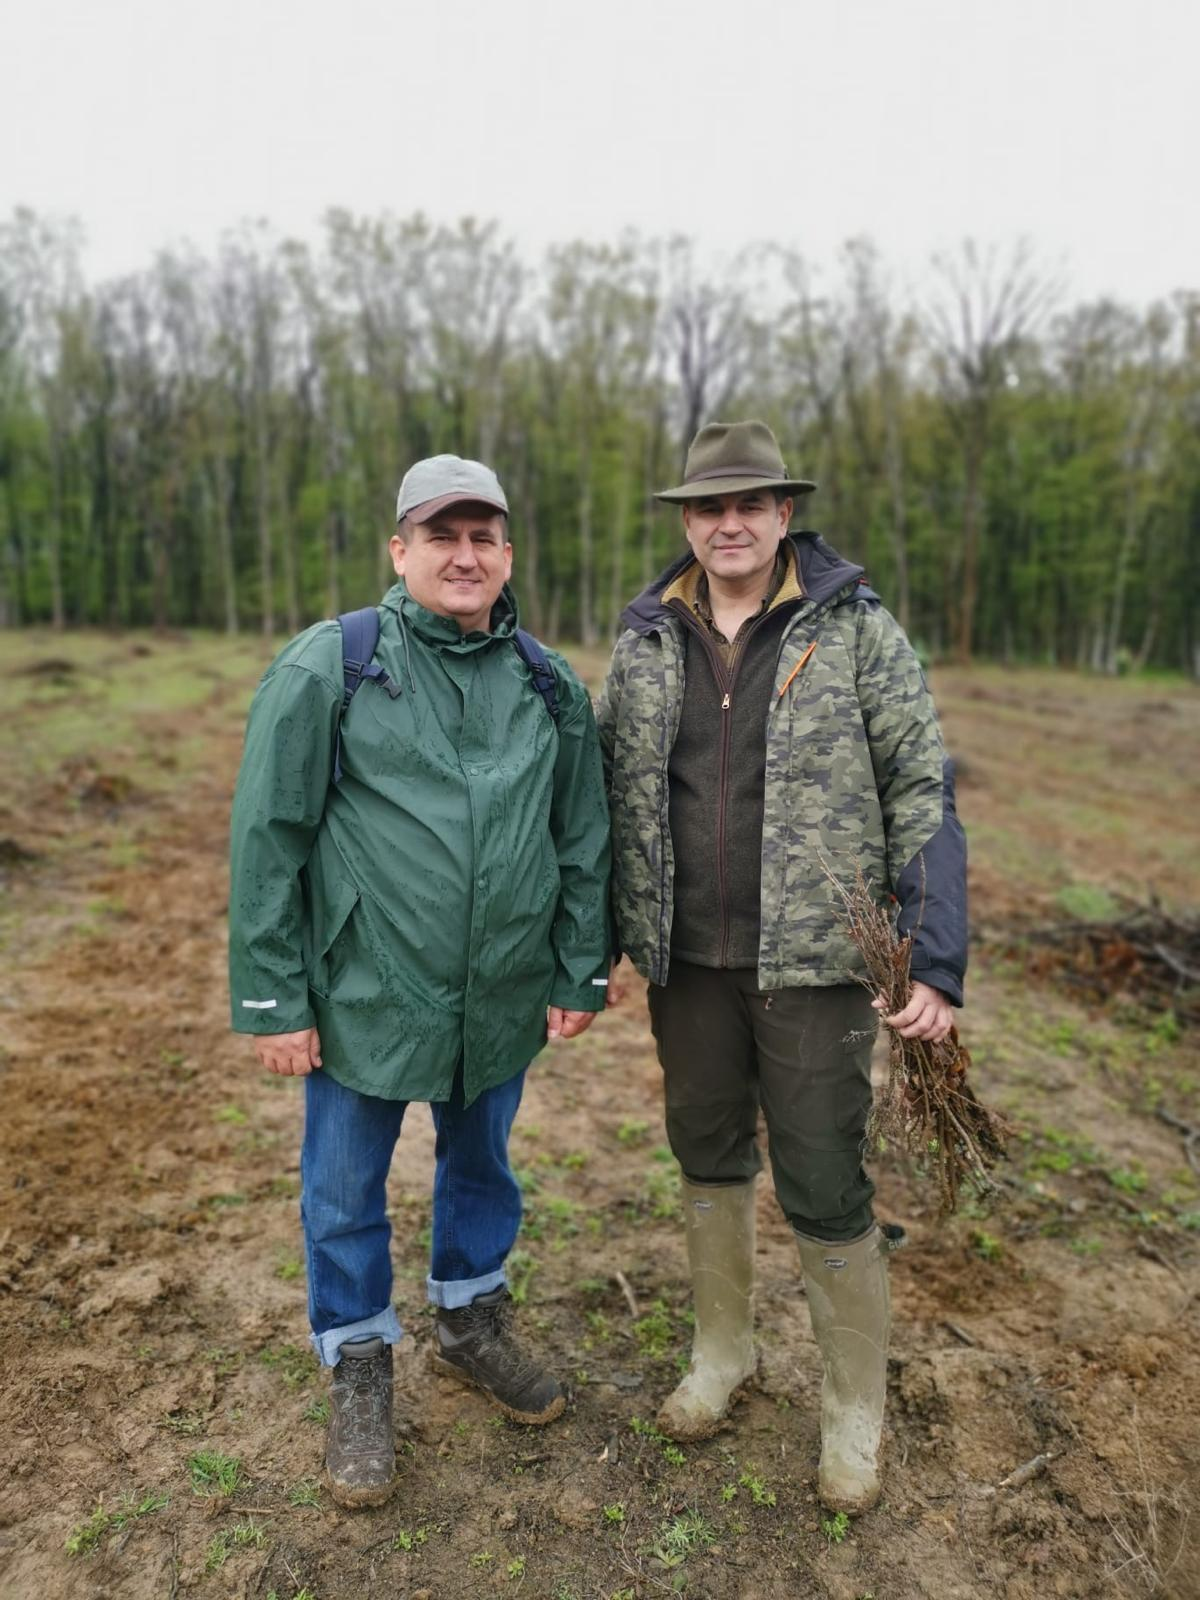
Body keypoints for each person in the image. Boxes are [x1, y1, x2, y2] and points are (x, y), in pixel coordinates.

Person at [597, 420, 966, 1515]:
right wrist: (595, 945)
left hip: (815, 964)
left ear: (783, 514)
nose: (730, 524)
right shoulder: (646, 640)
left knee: (822, 1174)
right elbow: (603, 794)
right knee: (706, 1150)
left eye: (749, 505)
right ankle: (725, 1351)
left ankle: (853, 1409)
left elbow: (922, 788)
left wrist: (933, 957)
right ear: (687, 522)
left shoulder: (854, 630)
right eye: (710, 507)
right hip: (687, 961)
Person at [228, 453, 611, 1508]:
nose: (465, 554)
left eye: (484, 536)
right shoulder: (334, 665)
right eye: (443, 535)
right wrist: (273, 997)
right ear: (400, 551)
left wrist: (580, 963)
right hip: (365, 989)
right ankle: (358, 1357)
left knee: (483, 1164)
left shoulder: (547, 682)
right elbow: (269, 837)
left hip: (501, 988)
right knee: (344, 1185)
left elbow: (582, 834)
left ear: (509, 556)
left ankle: (471, 1318)